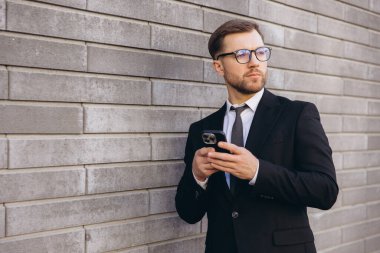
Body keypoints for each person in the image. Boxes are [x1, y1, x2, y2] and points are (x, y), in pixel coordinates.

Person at [175, 19, 339, 253]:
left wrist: (257, 172)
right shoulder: (201, 129)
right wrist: (198, 176)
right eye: (242, 54)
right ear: (218, 67)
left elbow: (325, 190)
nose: (254, 62)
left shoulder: (297, 114)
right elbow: (188, 213)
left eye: (260, 52)